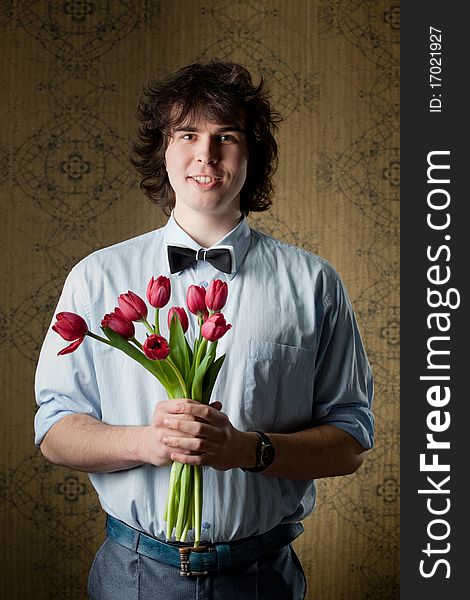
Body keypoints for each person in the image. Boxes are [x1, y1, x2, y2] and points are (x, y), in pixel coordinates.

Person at [34, 62, 374, 600]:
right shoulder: (96, 277)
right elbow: (53, 430)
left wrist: (245, 449)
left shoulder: (314, 283)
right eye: (187, 134)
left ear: (251, 153)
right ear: (163, 150)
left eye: (227, 137)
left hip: (263, 577)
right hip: (133, 575)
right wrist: (151, 442)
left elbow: (351, 441)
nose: (206, 155)